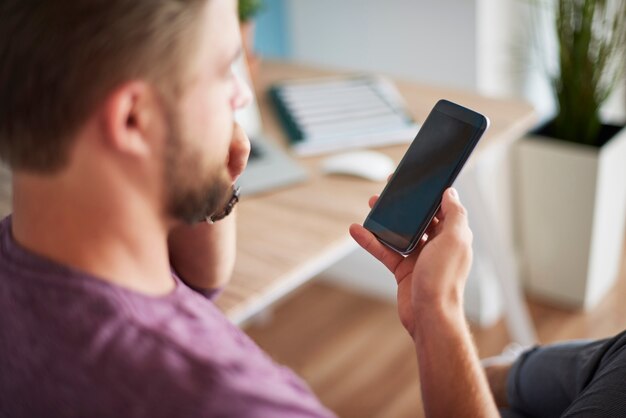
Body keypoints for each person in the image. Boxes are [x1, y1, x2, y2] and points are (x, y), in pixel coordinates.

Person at [1, 1, 619, 418]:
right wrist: (439, 311)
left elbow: (193, 288)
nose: (244, 96)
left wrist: (208, 183)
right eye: (225, 72)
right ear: (134, 119)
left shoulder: (40, 253)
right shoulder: (247, 402)